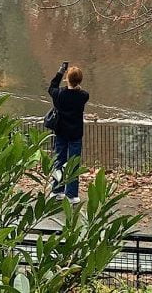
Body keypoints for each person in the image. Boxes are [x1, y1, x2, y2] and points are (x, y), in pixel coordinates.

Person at [48, 62, 89, 204]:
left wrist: (60, 72)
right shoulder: (83, 96)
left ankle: (57, 190)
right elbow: (80, 92)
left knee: (59, 160)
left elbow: (52, 87)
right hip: (76, 133)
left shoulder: (59, 94)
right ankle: (71, 194)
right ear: (80, 81)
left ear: (67, 79)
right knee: (73, 163)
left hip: (60, 131)